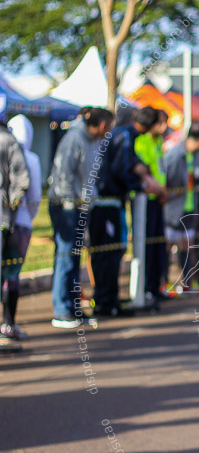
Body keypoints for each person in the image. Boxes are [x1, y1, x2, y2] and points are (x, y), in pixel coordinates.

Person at [90, 106, 164, 318]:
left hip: (111, 202)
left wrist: (140, 170)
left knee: (112, 251)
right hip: (107, 203)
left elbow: (129, 164)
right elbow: (120, 169)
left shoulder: (123, 134)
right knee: (109, 252)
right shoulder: (125, 135)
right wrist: (140, 186)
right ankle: (106, 301)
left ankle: (108, 299)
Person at [48, 107, 114, 327]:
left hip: (81, 206)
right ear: (103, 124)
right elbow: (63, 176)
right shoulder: (73, 139)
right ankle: (61, 308)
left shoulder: (93, 141)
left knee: (74, 258)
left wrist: (88, 202)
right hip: (66, 206)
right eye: (109, 127)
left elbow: (88, 177)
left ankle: (73, 305)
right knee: (66, 256)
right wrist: (70, 204)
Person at [2, 115, 40, 339]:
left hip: (8, 218)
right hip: (20, 222)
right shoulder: (31, 158)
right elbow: (34, 194)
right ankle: (8, 323)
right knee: (12, 273)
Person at [162, 124, 199, 293]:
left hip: (189, 207)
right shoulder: (175, 154)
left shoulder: (196, 155)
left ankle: (187, 282)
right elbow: (168, 179)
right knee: (169, 244)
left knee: (187, 245)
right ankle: (164, 282)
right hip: (173, 208)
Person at [134, 109, 168, 301]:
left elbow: (160, 169)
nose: (163, 128)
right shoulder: (142, 140)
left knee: (158, 246)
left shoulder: (158, 142)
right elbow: (144, 170)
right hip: (146, 200)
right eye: (159, 123)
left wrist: (164, 191)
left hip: (159, 199)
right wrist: (158, 190)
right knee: (147, 245)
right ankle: (145, 288)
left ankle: (155, 287)